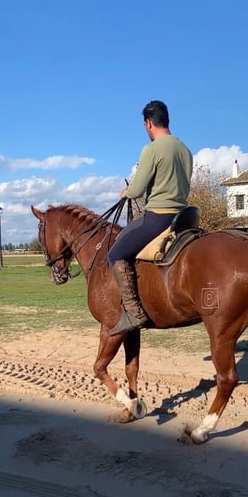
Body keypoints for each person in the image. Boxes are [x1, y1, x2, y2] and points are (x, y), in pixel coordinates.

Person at [107, 100, 193, 336]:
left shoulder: (152, 149)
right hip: (184, 217)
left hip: (159, 217)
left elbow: (137, 189)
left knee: (115, 252)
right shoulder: (185, 149)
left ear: (148, 123)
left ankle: (134, 312)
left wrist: (127, 191)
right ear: (167, 120)